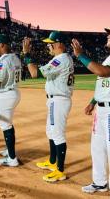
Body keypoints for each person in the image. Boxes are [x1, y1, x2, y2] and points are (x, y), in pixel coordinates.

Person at [71, 22, 110, 199]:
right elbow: (104, 84)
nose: (108, 35)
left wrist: (81, 56)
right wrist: (93, 102)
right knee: (97, 148)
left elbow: (103, 72)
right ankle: (99, 182)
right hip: (102, 110)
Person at [22, 31, 74, 182]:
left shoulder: (61, 59)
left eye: (50, 43)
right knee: (51, 132)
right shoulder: (62, 59)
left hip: (59, 101)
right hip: (55, 100)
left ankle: (60, 170)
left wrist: (27, 54)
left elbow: (34, 73)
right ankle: (52, 162)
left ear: (59, 44)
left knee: (57, 134)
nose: (48, 46)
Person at [0, 34, 22, 167]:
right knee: (8, 124)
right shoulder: (15, 57)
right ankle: (9, 151)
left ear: (2, 45)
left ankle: (12, 158)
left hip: (5, 95)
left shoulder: (2, 61)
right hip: (14, 92)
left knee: (5, 125)